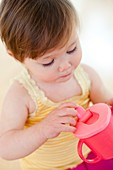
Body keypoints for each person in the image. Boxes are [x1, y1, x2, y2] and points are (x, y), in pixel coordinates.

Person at [0, 0, 113, 170]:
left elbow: (105, 106)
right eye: (48, 62)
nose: (65, 66)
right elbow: (5, 147)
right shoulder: (22, 94)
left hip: (91, 155)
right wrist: (43, 130)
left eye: (71, 49)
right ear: (16, 56)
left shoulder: (85, 76)